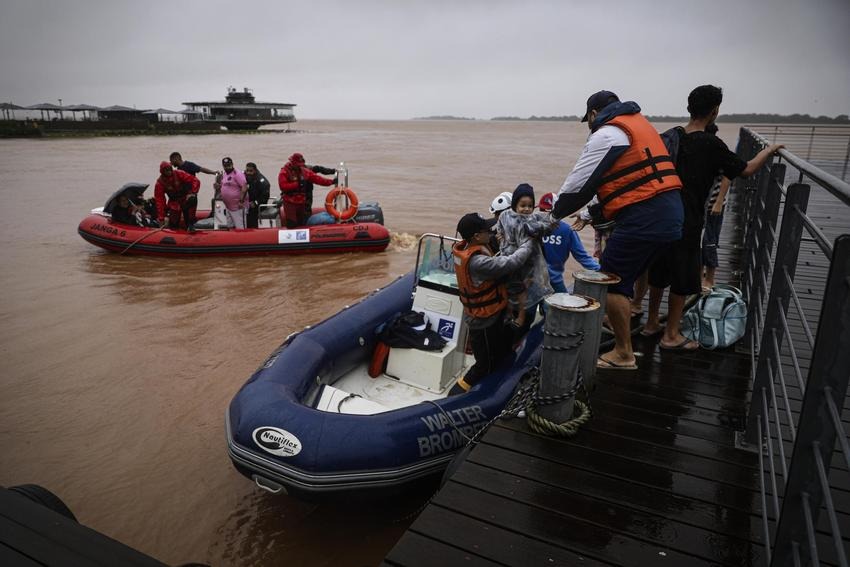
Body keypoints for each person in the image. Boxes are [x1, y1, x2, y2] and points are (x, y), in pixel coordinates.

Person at [643, 85, 784, 350]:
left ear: (689, 108)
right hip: (689, 217)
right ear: (715, 111)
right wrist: (768, 150)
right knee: (683, 275)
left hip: (662, 214)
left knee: (660, 270)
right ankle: (671, 335)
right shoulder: (712, 144)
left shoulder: (670, 136)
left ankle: (651, 323)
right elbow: (747, 170)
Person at [551, 90, 684, 370]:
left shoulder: (607, 134)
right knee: (633, 272)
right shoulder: (640, 125)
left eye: (588, 119)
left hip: (644, 217)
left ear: (593, 114)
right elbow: (631, 181)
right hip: (670, 214)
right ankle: (618, 318)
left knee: (610, 281)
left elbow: (578, 185)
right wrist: (590, 213)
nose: (589, 125)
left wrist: (551, 216)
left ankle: (623, 353)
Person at [449, 212, 535, 395]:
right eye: (487, 230)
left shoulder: (466, 247)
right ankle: (454, 395)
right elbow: (512, 262)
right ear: (476, 236)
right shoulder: (478, 262)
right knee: (484, 364)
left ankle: (495, 380)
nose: (491, 232)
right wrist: (529, 243)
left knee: (500, 349)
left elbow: (496, 247)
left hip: (490, 314)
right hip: (483, 321)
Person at [496, 183, 553, 329]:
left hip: (528, 260)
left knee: (522, 288)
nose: (526, 209)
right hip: (508, 256)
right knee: (506, 286)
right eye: (523, 205)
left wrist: (538, 229)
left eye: (530, 205)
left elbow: (549, 226)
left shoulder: (535, 219)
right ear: (515, 204)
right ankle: (508, 312)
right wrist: (499, 236)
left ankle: (521, 315)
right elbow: (499, 228)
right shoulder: (505, 215)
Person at [537, 192, 600, 294]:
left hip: (535, 281)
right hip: (552, 280)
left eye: (544, 210)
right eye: (542, 210)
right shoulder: (567, 230)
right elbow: (582, 256)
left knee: (529, 308)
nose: (544, 214)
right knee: (562, 304)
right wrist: (600, 270)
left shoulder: (533, 228)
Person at [278, 153, 336, 228]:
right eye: (298, 164)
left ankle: (304, 237)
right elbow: (283, 186)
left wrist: (331, 182)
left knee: (302, 222)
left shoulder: (305, 171)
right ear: (293, 163)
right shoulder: (284, 172)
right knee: (292, 223)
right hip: (290, 202)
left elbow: (318, 179)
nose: (300, 166)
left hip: (301, 201)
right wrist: (297, 184)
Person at [154, 161, 201, 230]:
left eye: (170, 169)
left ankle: (191, 224)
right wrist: (161, 218)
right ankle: (175, 231)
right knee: (174, 224)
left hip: (186, 198)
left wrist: (193, 193)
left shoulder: (179, 173)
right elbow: (160, 201)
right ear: (162, 172)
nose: (169, 172)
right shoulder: (160, 183)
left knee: (192, 199)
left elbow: (195, 180)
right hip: (174, 203)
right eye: (166, 170)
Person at [214, 157, 249, 229]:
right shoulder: (224, 174)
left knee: (240, 227)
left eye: (229, 165)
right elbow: (226, 186)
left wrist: (241, 201)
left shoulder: (237, 174)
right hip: (228, 207)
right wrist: (219, 186)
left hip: (238, 207)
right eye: (225, 166)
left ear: (232, 164)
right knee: (230, 227)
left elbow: (244, 187)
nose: (227, 167)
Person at [244, 162, 271, 229]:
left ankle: (252, 229)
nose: (248, 173)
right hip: (247, 203)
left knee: (251, 213)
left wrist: (256, 202)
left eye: (251, 171)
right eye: (247, 170)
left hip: (258, 205)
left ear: (255, 170)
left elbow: (265, 196)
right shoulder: (244, 176)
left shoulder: (262, 182)